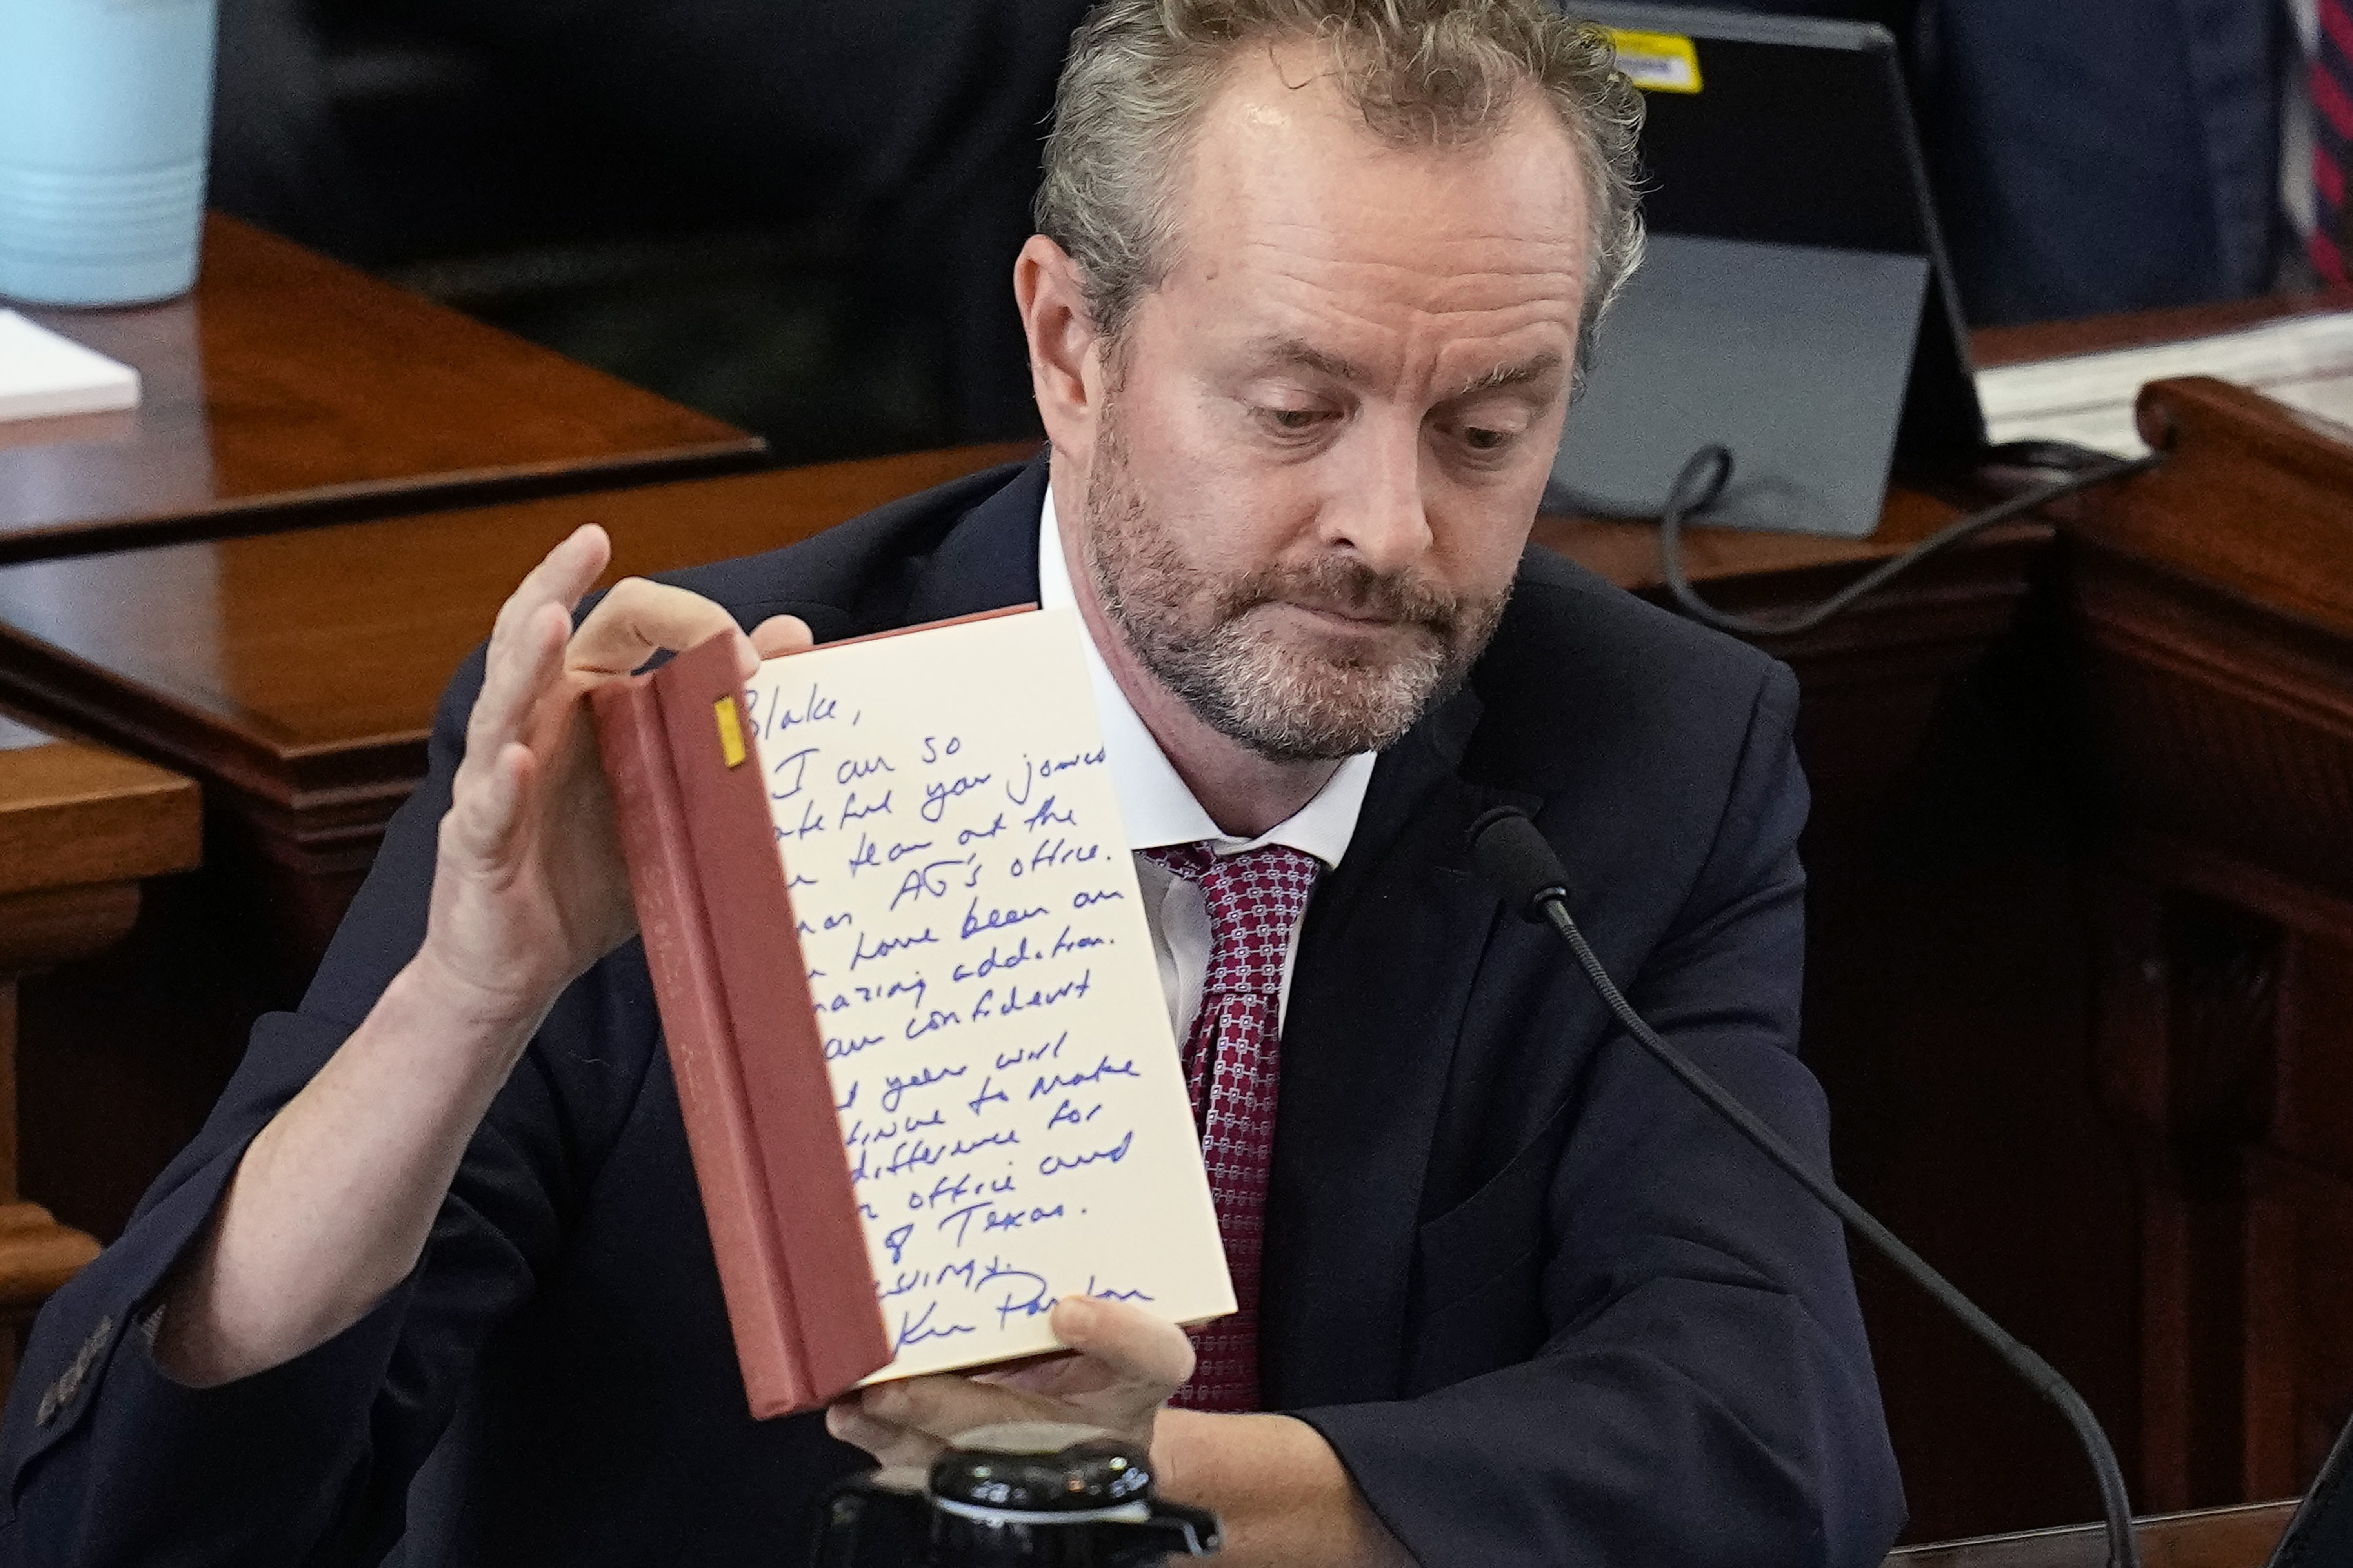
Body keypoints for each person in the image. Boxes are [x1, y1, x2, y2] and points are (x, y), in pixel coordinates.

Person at [0, 3, 1904, 1564]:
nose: (1390, 527)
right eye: (1295, 410)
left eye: (1492, 426)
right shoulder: (704, 728)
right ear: (1071, 343)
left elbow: (1777, 1449)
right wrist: (467, 1003)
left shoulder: (1647, 753)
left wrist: (1136, 1486)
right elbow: (133, 1515)